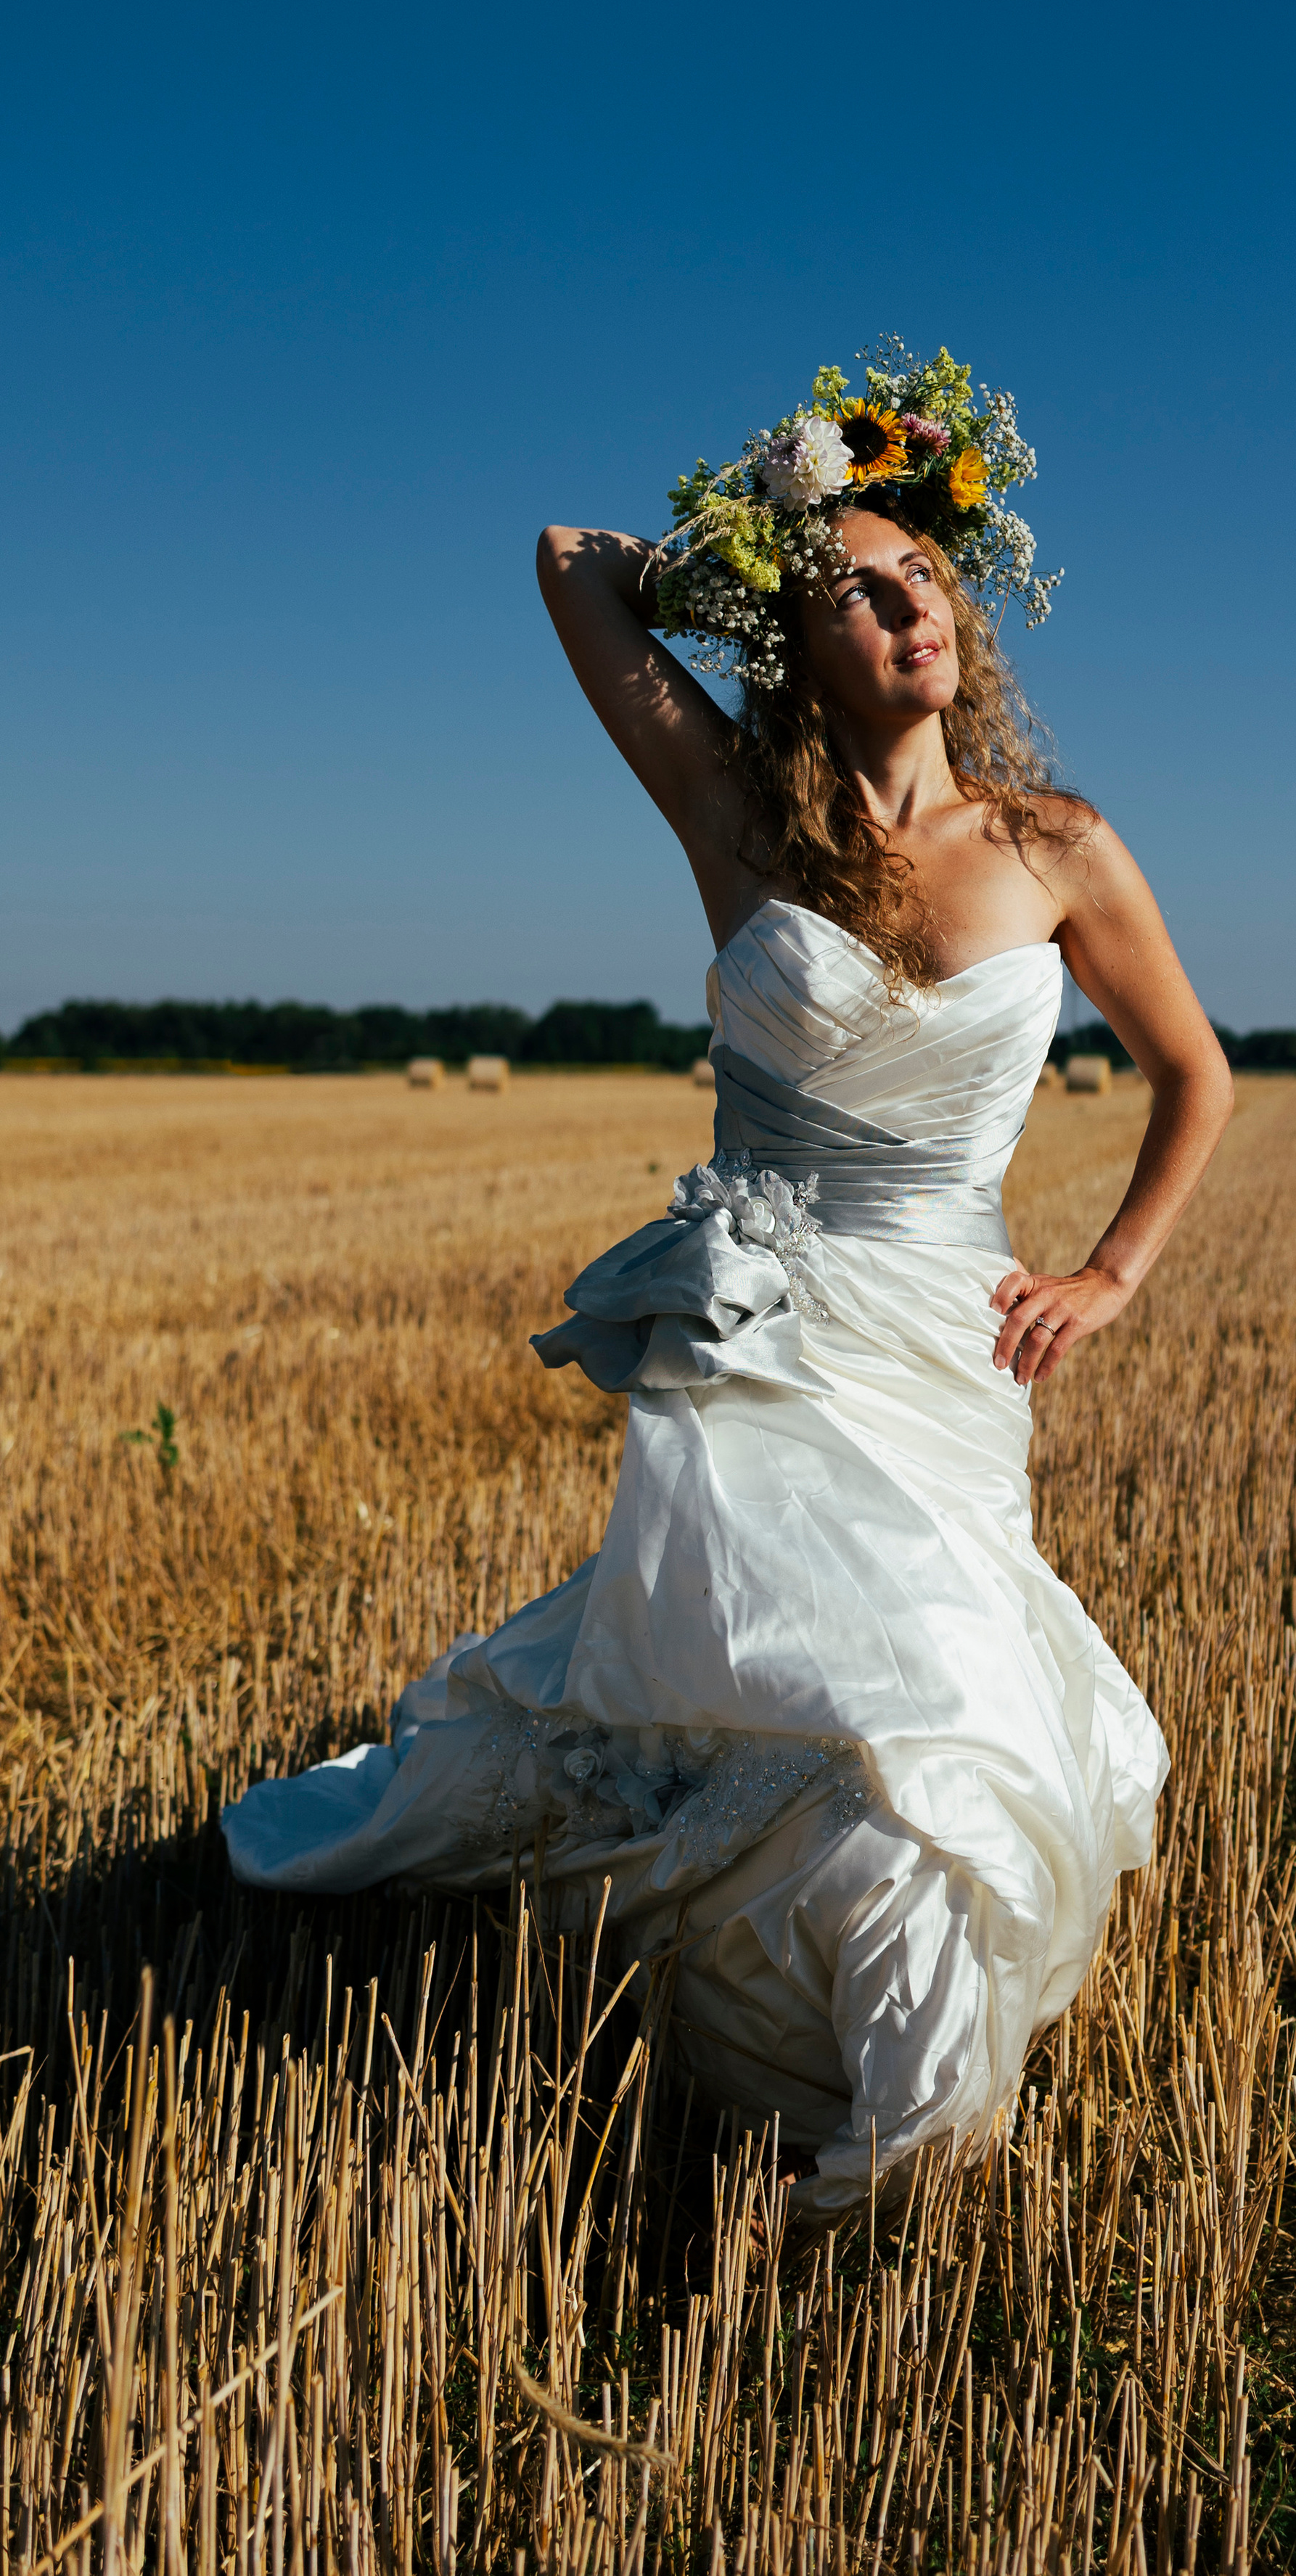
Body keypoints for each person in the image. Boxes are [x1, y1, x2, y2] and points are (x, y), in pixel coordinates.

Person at [222, 350, 1233, 2217]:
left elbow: (1198, 1073)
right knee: (772, 1690)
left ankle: (906, 2111)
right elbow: (563, 562)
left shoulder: (1056, 846)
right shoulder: (737, 823)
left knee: (933, 1706)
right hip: (763, 1338)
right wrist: (763, 534)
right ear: (794, 637)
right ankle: (796, 2055)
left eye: (918, 570)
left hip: (940, 1345)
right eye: (851, 588)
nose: (901, 600)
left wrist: (1109, 1270)